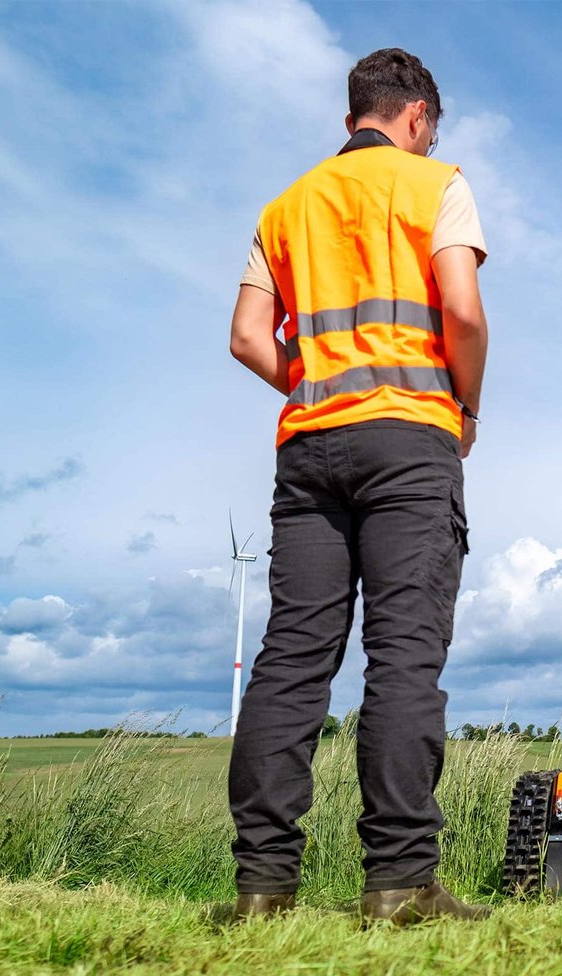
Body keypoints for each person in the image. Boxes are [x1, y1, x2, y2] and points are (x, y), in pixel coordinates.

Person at [225, 47, 490, 927]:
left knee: (293, 657)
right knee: (403, 654)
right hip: (410, 438)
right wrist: (466, 409)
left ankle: (263, 887)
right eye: (428, 131)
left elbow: (248, 337)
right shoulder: (437, 183)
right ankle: (400, 882)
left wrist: (314, 383)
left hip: (308, 449)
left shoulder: (285, 206)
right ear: (417, 117)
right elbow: (462, 311)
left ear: (352, 119)